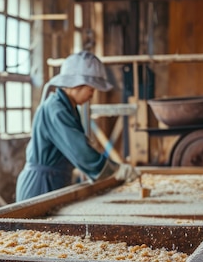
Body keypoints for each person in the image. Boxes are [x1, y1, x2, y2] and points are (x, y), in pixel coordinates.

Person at [15, 51, 139, 202]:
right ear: (76, 84)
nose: (92, 94)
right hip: (41, 185)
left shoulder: (69, 108)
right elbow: (80, 150)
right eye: (91, 89)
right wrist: (116, 170)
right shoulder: (56, 109)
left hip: (54, 180)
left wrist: (81, 167)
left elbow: (70, 147)